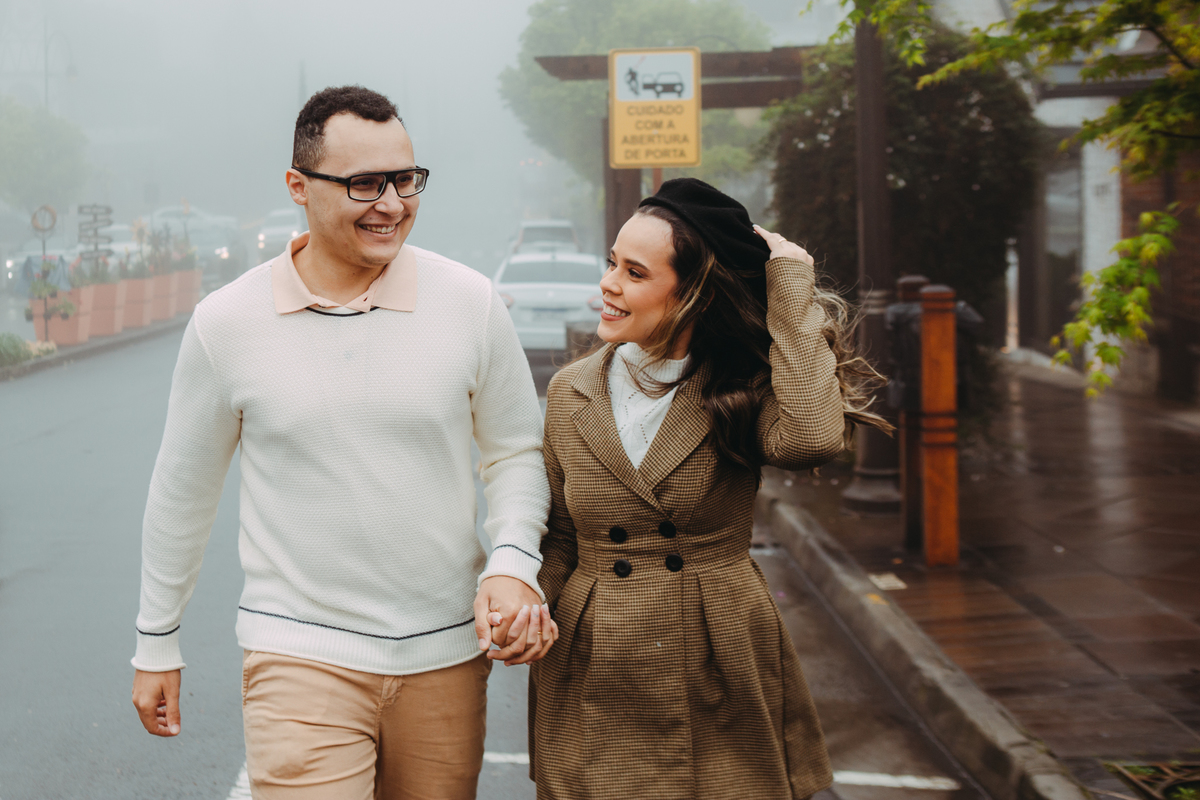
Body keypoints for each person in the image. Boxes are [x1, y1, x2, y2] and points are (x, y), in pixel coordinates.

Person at [130, 85, 557, 799]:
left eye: (406, 179)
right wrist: (156, 640)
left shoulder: (470, 302)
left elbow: (515, 451)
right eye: (364, 183)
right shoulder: (227, 322)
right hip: (297, 653)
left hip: (446, 654)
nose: (391, 203)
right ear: (298, 186)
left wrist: (513, 562)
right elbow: (183, 491)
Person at [523, 179, 891, 799]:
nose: (609, 284)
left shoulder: (739, 387)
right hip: (593, 657)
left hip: (714, 649)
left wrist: (790, 283)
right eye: (612, 263)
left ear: (694, 293)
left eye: (635, 273)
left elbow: (812, 440)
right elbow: (562, 535)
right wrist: (529, 609)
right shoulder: (571, 390)